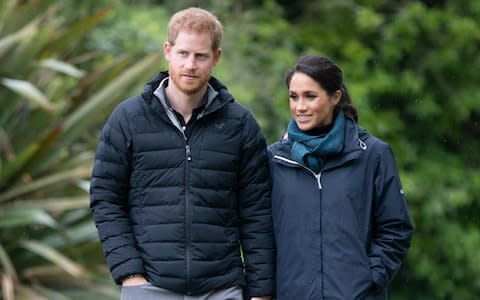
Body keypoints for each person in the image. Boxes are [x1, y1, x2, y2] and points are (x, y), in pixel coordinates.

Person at [89, 7, 274, 300]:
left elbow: (256, 212)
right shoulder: (128, 119)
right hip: (148, 286)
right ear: (168, 50)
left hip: (222, 288)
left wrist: (261, 291)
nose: (190, 64)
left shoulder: (240, 125)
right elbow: (105, 199)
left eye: (201, 56)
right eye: (183, 53)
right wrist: (130, 273)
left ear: (216, 58)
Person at [268, 55, 413, 300]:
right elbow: (259, 233)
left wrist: (369, 278)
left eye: (310, 96)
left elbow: (395, 229)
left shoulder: (374, 155)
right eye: (294, 97)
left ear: (335, 97)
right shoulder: (274, 160)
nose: (299, 107)